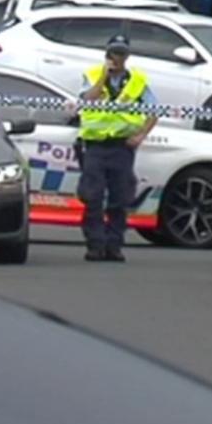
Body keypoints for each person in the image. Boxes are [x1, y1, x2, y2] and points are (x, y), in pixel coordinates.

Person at [76, 35, 158, 262]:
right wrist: (104, 75)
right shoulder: (92, 75)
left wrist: (140, 135)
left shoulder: (137, 80)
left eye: (121, 53)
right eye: (114, 53)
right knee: (92, 198)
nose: (117, 58)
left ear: (127, 56)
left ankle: (114, 246)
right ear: (107, 54)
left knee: (119, 199)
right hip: (95, 146)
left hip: (122, 147)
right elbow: (88, 100)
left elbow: (154, 111)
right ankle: (95, 245)